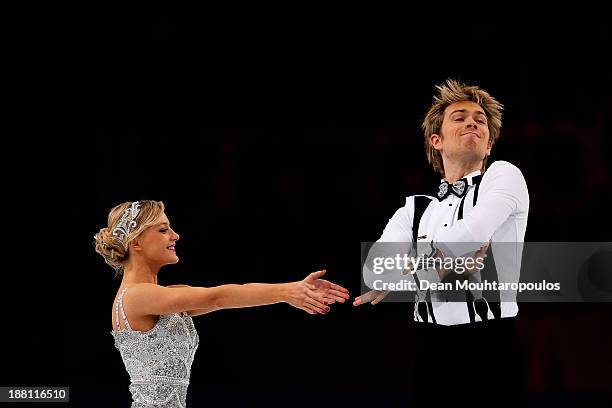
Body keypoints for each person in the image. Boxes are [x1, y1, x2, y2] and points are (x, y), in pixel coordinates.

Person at [353, 79, 529, 406]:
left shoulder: (504, 176)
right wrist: (437, 269)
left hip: (491, 347)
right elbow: (375, 272)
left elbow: (468, 237)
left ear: (489, 145)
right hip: (430, 351)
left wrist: (406, 275)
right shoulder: (416, 208)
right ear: (437, 140)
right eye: (459, 117)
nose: (472, 121)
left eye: (479, 119)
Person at [94, 200, 349, 407]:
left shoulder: (163, 297)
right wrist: (286, 292)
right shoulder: (137, 296)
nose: (175, 235)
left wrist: (294, 289)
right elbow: (217, 296)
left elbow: (226, 298)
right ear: (135, 242)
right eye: (163, 230)